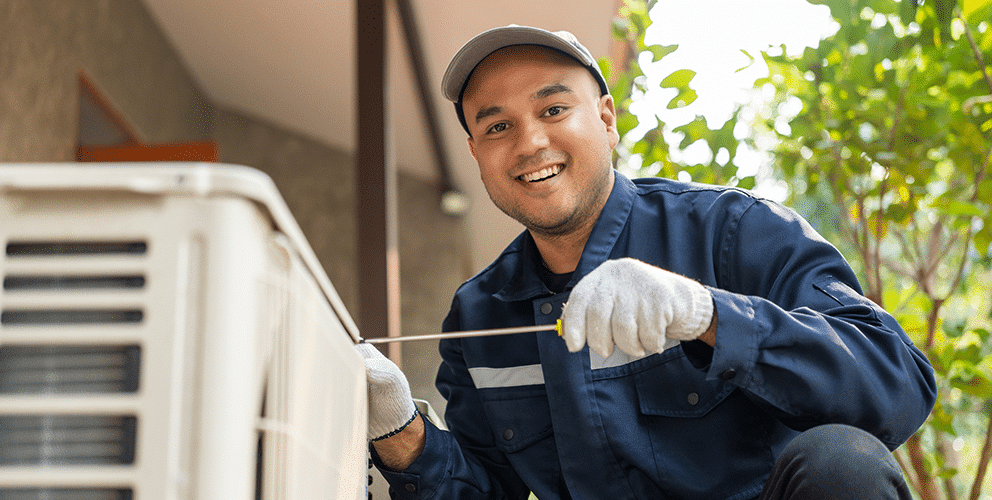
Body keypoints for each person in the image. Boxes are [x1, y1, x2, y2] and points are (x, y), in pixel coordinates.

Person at [355, 25, 936, 500]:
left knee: (841, 461)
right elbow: (483, 492)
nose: (529, 142)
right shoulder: (480, 317)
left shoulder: (733, 232)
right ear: (476, 153)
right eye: (498, 125)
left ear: (606, 120)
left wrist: (708, 315)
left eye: (554, 109)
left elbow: (896, 385)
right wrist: (401, 432)